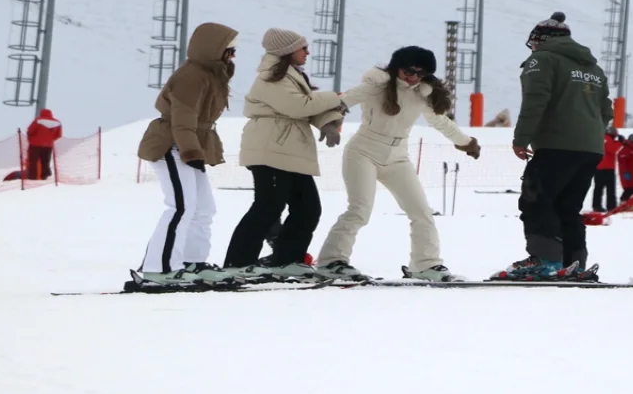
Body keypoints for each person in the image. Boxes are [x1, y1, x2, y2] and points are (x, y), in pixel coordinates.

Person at [313, 46, 481, 282]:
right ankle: (332, 261)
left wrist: (467, 143)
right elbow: (341, 102)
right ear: (396, 67)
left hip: (398, 157)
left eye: (420, 73)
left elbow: (441, 122)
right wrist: (329, 123)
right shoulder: (376, 86)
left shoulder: (422, 94)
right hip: (364, 151)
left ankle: (425, 264)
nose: (413, 77)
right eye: (408, 70)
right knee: (359, 210)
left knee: (421, 211)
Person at [222, 29, 346, 278]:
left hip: (289, 150)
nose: (308, 52)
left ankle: (288, 259)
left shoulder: (291, 75)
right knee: (267, 207)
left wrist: (327, 122)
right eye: (303, 48)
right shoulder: (271, 77)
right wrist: (337, 98)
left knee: (308, 208)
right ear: (288, 51)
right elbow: (298, 106)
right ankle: (238, 263)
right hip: (271, 149)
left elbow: (305, 104)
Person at [498, 11, 612, 281]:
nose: (533, 47)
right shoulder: (593, 69)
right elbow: (606, 111)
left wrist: (521, 139)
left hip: (556, 144)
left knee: (536, 200)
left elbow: (535, 101)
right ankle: (574, 263)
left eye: (534, 42)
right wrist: (589, 134)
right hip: (591, 148)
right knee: (567, 206)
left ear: (540, 40)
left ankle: (545, 261)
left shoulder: (542, 59)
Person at [134, 22, 239, 284]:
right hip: (172, 145)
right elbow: (183, 118)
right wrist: (191, 149)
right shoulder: (192, 76)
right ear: (215, 49)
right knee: (181, 206)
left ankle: (193, 262)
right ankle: (159, 269)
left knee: (204, 208)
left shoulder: (211, 75)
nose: (233, 56)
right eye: (230, 50)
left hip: (189, 146)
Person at [590, 126, 622, 212]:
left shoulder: (602, 139)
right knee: (610, 189)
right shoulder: (608, 140)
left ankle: (596, 205)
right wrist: (620, 142)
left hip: (599, 167)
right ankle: (611, 207)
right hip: (607, 168)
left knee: (598, 188)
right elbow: (612, 150)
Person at [25, 108, 62, 180]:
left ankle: (33, 177)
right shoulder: (57, 122)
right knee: (45, 161)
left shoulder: (38, 120)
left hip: (35, 144)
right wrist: (50, 139)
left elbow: (30, 131)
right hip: (48, 146)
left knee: (33, 161)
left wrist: (31, 139)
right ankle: (45, 176)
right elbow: (59, 135)